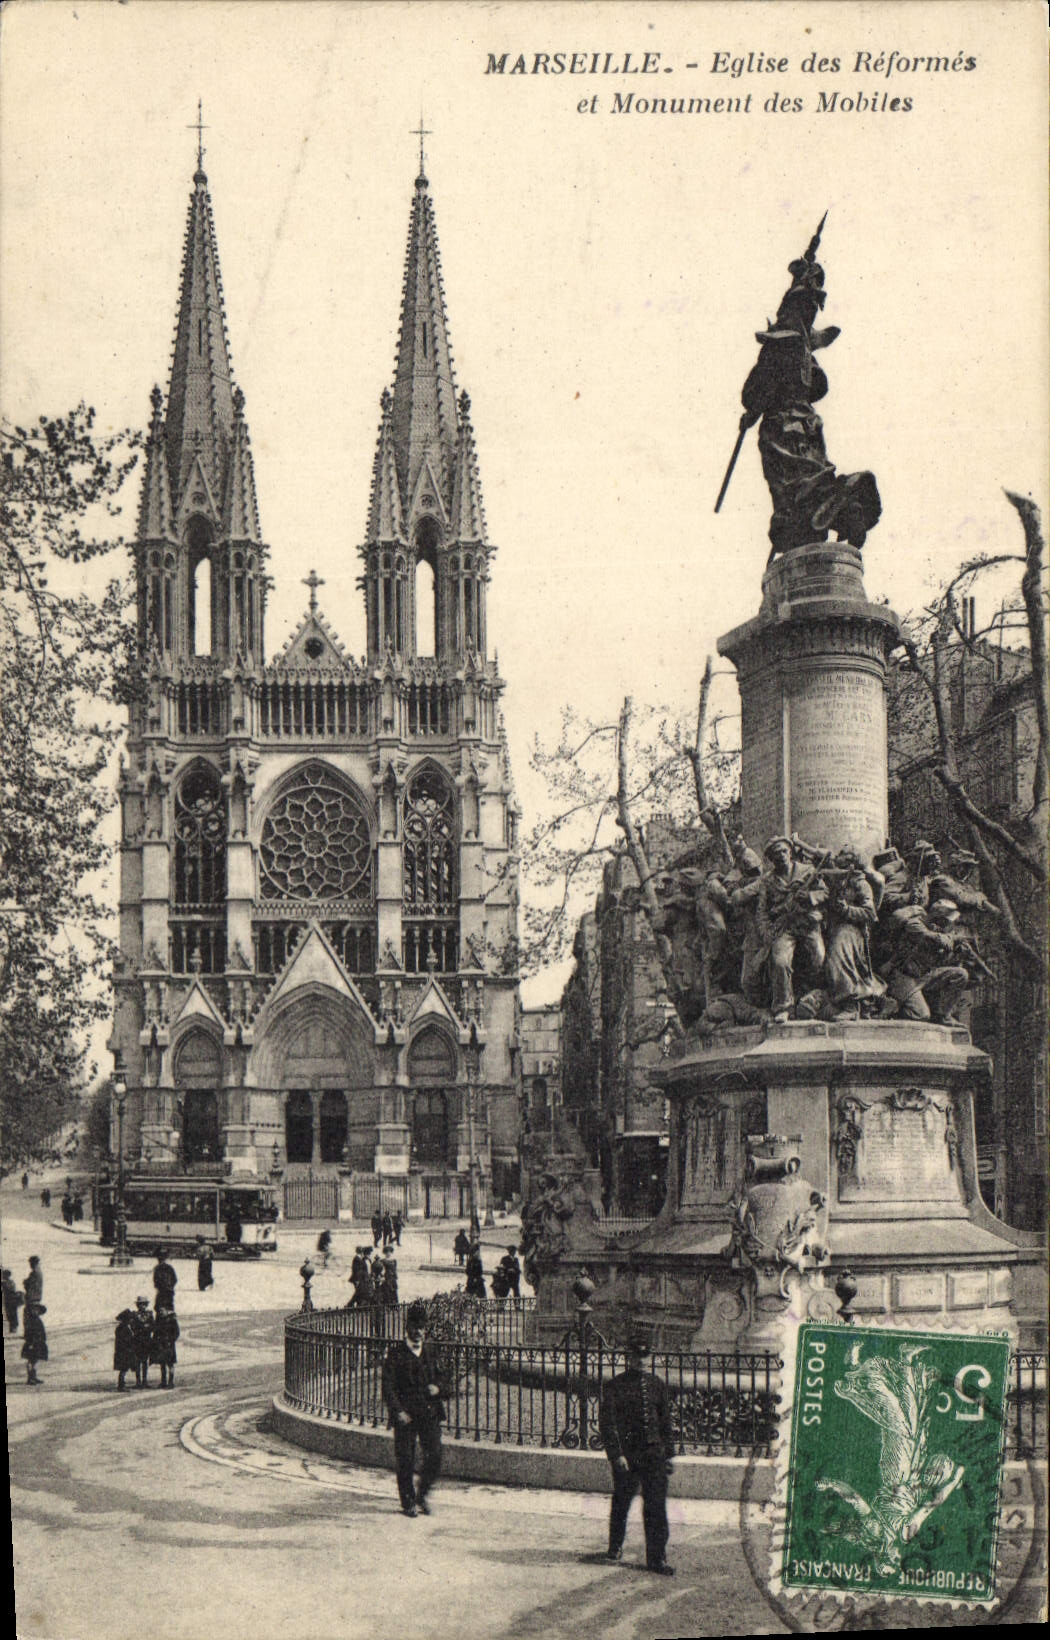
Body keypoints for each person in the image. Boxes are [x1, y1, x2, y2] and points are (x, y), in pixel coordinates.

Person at [599, 1333, 675, 1574]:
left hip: (654, 1454)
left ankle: (657, 1558)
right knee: (622, 1501)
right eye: (636, 1356)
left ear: (650, 1357)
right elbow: (608, 1424)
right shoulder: (615, 1386)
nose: (640, 1361)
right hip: (629, 1455)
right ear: (628, 1358)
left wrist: (668, 1455)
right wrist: (616, 1455)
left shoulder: (657, 1385)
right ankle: (615, 1546)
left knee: (656, 1506)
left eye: (645, 1356)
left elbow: (665, 1422)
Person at [381, 1300, 449, 1517]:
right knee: (406, 1459)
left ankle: (422, 1494)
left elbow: (444, 1377)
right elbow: (388, 1387)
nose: (419, 1332)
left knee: (435, 1455)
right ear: (407, 1327)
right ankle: (408, 1501)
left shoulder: (431, 1350)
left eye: (422, 1327)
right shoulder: (396, 1353)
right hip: (406, 1415)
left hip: (429, 1412)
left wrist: (438, 1388)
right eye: (415, 1327)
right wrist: (398, 1411)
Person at [151, 1305, 180, 1389]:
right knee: (162, 1364)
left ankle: (170, 1383)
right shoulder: (159, 1321)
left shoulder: (172, 1320)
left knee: (170, 1364)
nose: (160, 1312)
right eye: (159, 1311)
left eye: (162, 1311)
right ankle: (163, 1382)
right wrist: (155, 1342)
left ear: (167, 1311)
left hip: (169, 1345)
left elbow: (176, 1332)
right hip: (161, 1346)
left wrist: (171, 1340)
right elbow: (156, 1333)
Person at [21, 1293, 48, 1386]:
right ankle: (30, 1378)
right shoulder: (30, 1321)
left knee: (35, 1361)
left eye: (38, 1310)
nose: (37, 1311)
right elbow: (29, 1333)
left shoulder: (36, 1319)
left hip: (38, 1343)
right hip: (32, 1343)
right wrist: (31, 1343)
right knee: (31, 1360)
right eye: (36, 1309)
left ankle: (34, 1377)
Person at [132, 1297, 154, 1388]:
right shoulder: (134, 1315)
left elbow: (153, 1326)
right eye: (141, 1304)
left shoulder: (150, 1314)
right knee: (137, 1362)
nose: (143, 1306)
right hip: (137, 1341)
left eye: (144, 1304)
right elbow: (133, 1327)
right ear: (138, 1305)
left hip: (146, 1341)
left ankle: (144, 1381)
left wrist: (145, 1327)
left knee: (145, 1362)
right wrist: (144, 1327)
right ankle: (138, 1382)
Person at [114, 1308, 138, 1392]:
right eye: (130, 1318)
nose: (131, 1320)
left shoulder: (124, 1327)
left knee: (124, 1368)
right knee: (123, 1369)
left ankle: (122, 1385)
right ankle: (121, 1386)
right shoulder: (123, 1328)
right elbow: (125, 1340)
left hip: (124, 1351)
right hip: (124, 1352)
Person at [152, 1247, 178, 1313]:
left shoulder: (159, 1268)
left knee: (163, 1306)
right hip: (167, 1291)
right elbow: (175, 1279)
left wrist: (168, 1286)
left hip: (165, 1291)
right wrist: (170, 1286)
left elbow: (156, 1280)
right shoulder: (167, 1268)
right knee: (165, 1307)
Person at [2, 1268, 24, 1334]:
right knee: (12, 1314)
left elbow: (9, 1289)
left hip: (9, 1301)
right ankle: (13, 1328)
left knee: (11, 1315)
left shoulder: (6, 1283)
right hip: (11, 1301)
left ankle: (13, 1329)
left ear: (6, 1275)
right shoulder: (11, 1282)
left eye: (3, 1274)